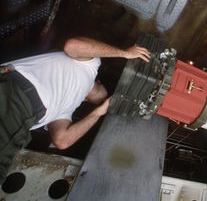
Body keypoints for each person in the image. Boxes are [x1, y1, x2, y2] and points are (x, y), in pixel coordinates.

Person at [0, 37, 150, 183]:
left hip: (21, 112)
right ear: (99, 82)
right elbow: (73, 45)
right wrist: (124, 53)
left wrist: (98, 112)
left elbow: (62, 141)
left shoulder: (67, 110)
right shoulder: (89, 66)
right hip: (15, 93)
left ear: (86, 101)